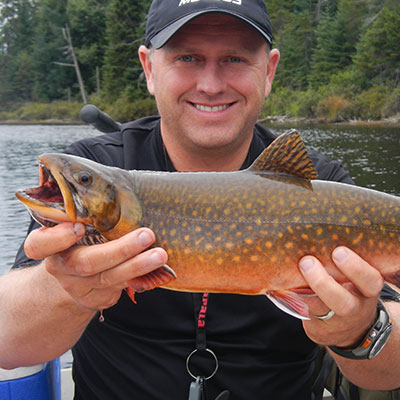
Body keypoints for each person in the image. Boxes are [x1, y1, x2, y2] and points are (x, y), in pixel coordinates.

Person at [1, 0, 399, 398]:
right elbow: (9, 343)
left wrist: (359, 330)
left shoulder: (320, 186)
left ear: (269, 70)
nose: (210, 84)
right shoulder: (98, 165)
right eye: (188, 57)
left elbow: (389, 375)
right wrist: (64, 287)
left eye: (235, 59)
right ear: (149, 68)